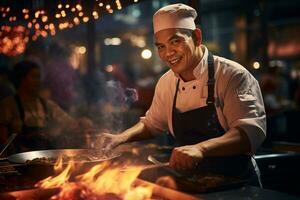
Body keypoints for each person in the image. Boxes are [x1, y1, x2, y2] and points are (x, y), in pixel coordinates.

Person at [96, 3, 266, 186]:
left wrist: (201, 149)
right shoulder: (166, 82)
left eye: (175, 41)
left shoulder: (232, 75)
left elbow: (250, 134)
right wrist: (120, 138)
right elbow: (153, 123)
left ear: (197, 37)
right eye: (161, 46)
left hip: (238, 185)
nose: (168, 53)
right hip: (193, 183)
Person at [0, 60, 93, 154]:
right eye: (34, 76)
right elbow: (3, 139)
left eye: (39, 77)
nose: (39, 81)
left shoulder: (47, 105)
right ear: (21, 78)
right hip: (19, 160)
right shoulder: (8, 105)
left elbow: (69, 122)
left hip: (45, 159)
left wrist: (82, 123)